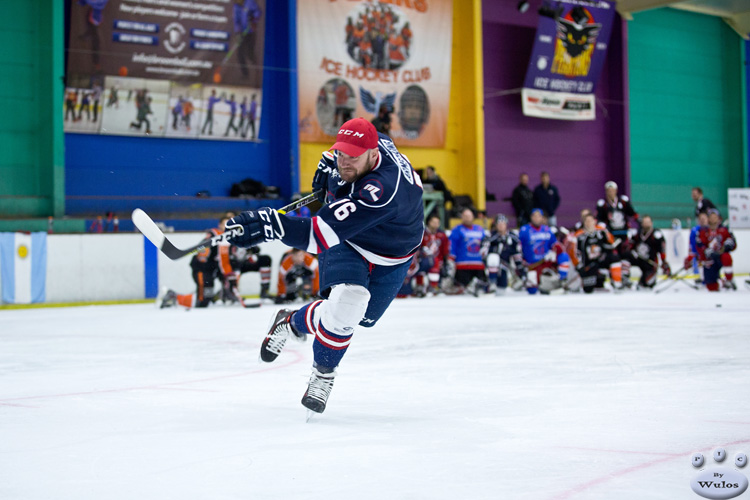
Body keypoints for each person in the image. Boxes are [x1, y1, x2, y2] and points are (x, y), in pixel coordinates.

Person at [225, 117, 424, 415]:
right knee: (349, 302)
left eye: (351, 157)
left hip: (392, 255)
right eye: (340, 152)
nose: (345, 161)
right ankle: (323, 375)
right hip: (351, 241)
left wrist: (273, 225)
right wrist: (332, 166)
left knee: (360, 319)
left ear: (372, 154)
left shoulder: (381, 190)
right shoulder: (375, 142)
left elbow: (318, 236)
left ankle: (290, 321)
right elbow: (351, 151)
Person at [158, 215, 234, 309]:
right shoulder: (214, 234)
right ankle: (172, 296)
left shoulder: (232, 238)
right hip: (202, 269)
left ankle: (216, 296)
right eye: (225, 224)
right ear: (220, 225)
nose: (227, 227)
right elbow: (203, 253)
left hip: (212, 270)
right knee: (201, 301)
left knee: (207, 297)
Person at [596, 181, 638, 287]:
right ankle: (614, 278)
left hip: (623, 234)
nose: (611, 192)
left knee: (625, 254)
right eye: (608, 190)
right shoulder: (603, 204)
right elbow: (599, 219)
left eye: (612, 190)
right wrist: (604, 230)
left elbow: (633, 214)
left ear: (616, 190)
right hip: (611, 236)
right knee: (613, 256)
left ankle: (624, 277)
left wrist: (639, 225)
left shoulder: (623, 201)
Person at [518, 208, 569, 294]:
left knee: (564, 256)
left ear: (542, 218)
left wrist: (553, 252)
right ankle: (543, 285)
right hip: (531, 265)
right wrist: (522, 262)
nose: (537, 218)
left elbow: (556, 246)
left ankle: (562, 281)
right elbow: (518, 247)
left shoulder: (547, 230)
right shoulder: (524, 230)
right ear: (531, 217)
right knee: (532, 290)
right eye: (535, 216)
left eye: (539, 216)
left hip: (545, 262)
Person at [685, 208, 736, 291]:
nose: (713, 219)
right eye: (711, 217)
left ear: (719, 218)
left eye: (715, 217)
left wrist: (728, 245)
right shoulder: (702, 231)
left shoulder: (724, 230)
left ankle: (729, 280)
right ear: (708, 218)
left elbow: (732, 242)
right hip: (709, 259)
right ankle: (719, 282)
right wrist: (707, 252)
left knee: (726, 257)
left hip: (721, 256)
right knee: (711, 287)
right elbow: (700, 246)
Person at [576, 213, 620, 293]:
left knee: (614, 258)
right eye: (587, 221)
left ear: (594, 221)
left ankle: (617, 284)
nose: (589, 223)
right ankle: (598, 281)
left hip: (601, 260)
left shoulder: (601, 232)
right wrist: (580, 266)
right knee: (588, 289)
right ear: (584, 223)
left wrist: (608, 240)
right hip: (589, 264)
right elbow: (577, 252)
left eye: (590, 221)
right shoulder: (579, 236)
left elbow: (611, 244)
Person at [448, 207, 487, 296]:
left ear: (473, 217)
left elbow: (485, 244)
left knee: (481, 287)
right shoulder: (457, 230)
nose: (467, 218)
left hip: (478, 264)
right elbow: (452, 245)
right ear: (462, 217)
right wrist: (451, 257)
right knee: (464, 289)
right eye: (465, 216)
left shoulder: (480, 229)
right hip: (462, 264)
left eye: (469, 216)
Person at [623, 215, 670, 289]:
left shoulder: (656, 235)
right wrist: (630, 250)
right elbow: (629, 246)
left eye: (648, 222)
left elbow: (662, 250)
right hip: (638, 258)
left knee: (647, 283)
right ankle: (625, 278)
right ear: (642, 223)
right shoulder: (637, 233)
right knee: (625, 257)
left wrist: (664, 262)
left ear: (651, 223)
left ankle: (643, 281)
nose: (646, 224)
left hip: (650, 262)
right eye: (644, 222)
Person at [484, 214, 522, 295]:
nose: (501, 226)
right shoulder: (491, 237)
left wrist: (520, 268)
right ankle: (492, 283)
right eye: (499, 223)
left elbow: (517, 253)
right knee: (493, 257)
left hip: (507, 265)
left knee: (502, 290)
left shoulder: (513, 237)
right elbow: (484, 252)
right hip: (491, 265)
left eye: (503, 223)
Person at [414, 213, 450, 295]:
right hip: (423, 259)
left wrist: (446, 261)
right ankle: (420, 285)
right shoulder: (422, 233)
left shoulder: (442, 235)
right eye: (434, 222)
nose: (436, 224)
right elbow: (418, 247)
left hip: (438, 261)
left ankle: (434, 286)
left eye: (437, 222)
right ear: (429, 222)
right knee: (425, 266)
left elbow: (445, 250)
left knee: (437, 263)